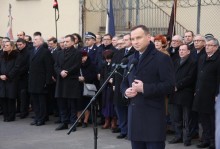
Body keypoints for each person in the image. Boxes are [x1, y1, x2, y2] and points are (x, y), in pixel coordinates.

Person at [121, 25, 175, 149]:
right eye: (132, 39)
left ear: (148, 37)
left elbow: (170, 86)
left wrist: (145, 88)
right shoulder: (130, 59)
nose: (135, 41)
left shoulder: (162, 58)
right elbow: (124, 82)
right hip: (135, 117)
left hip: (152, 118)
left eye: (138, 38)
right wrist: (125, 91)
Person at [192, 37, 220, 149]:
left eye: (209, 45)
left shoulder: (218, 60)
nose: (206, 47)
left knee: (212, 119)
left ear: (216, 47)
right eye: (206, 45)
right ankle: (206, 139)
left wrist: (217, 94)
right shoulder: (202, 58)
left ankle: (214, 141)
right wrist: (195, 90)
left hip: (212, 95)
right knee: (203, 119)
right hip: (201, 92)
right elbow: (198, 76)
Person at [168, 44, 197, 146]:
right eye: (180, 50)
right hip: (174, 93)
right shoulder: (175, 61)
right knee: (176, 117)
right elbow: (170, 74)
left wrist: (178, 85)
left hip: (185, 94)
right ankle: (178, 136)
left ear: (188, 51)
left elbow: (190, 77)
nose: (181, 52)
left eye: (183, 50)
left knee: (187, 118)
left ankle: (187, 138)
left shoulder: (193, 63)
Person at [54, 35, 81, 131]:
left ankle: (73, 122)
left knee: (72, 103)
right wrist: (60, 72)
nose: (65, 43)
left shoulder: (77, 53)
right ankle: (64, 122)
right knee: (62, 102)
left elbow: (77, 65)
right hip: (61, 80)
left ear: (73, 42)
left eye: (67, 41)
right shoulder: (59, 53)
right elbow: (56, 65)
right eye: (64, 41)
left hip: (71, 81)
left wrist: (67, 72)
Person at [29, 35, 53, 126]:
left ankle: (42, 119)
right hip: (32, 80)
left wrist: (47, 81)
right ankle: (37, 117)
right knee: (35, 101)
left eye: (36, 39)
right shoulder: (32, 51)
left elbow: (49, 68)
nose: (34, 41)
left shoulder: (45, 52)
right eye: (33, 39)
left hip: (41, 81)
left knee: (41, 101)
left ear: (41, 41)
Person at [0, 41, 20, 122]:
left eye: (7, 45)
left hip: (11, 80)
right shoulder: (1, 55)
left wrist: (7, 76)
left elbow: (16, 68)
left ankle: (11, 116)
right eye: (4, 45)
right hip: (2, 80)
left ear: (11, 47)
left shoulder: (16, 55)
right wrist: (0, 75)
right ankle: (5, 115)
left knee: (10, 99)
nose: (5, 46)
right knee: (3, 98)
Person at [77, 51, 97, 128]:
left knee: (87, 104)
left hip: (88, 86)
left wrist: (85, 78)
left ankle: (85, 120)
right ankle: (78, 120)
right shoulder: (77, 64)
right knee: (78, 104)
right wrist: (78, 78)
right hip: (78, 87)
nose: (83, 59)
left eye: (84, 57)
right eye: (81, 57)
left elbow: (94, 75)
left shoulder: (91, 64)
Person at [16, 38, 30, 119]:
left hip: (25, 77)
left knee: (24, 95)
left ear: (24, 44)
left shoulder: (27, 53)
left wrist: (19, 72)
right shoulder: (18, 52)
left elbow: (27, 65)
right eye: (17, 45)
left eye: (20, 45)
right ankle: (21, 110)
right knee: (20, 95)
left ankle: (24, 112)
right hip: (18, 77)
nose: (19, 46)